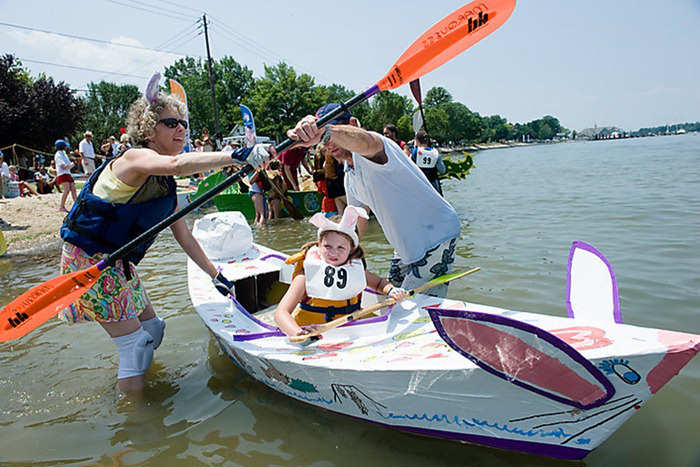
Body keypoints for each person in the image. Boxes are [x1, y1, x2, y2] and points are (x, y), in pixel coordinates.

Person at [58, 89, 272, 394]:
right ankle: (131, 419)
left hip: (117, 264)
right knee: (136, 345)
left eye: (183, 123)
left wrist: (216, 276)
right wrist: (236, 156)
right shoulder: (133, 158)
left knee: (153, 330)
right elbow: (177, 165)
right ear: (148, 129)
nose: (181, 129)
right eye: (171, 123)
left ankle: (137, 380)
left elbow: (185, 237)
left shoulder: (164, 187)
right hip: (88, 260)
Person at [287, 104, 461, 297]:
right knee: (388, 294)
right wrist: (326, 251)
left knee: (412, 306)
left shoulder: (376, 146)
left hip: (436, 235)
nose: (328, 143)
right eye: (323, 140)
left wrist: (326, 132)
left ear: (352, 124)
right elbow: (353, 226)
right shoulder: (348, 175)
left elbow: (366, 141)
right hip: (404, 245)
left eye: (335, 130)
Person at [274, 206, 407, 337]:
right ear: (319, 245)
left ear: (352, 249)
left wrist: (391, 290)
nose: (333, 253)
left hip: (351, 329)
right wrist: (298, 333)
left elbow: (379, 284)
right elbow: (281, 313)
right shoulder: (306, 274)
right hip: (313, 331)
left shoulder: (354, 269)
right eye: (327, 246)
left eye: (341, 247)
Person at [410, 130, 446, 196]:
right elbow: (442, 170)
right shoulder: (435, 152)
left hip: (419, 184)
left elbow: (410, 168)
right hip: (433, 185)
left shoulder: (415, 152)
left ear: (417, 140)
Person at [54, 139, 77, 212]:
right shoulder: (58, 154)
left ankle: (76, 204)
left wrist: (72, 163)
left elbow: (68, 164)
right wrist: (73, 164)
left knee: (73, 188)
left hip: (67, 173)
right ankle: (61, 206)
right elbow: (63, 166)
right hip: (62, 174)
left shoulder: (63, 153)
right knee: (67, 189)